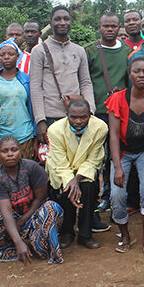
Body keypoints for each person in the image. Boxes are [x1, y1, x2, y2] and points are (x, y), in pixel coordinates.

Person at [106, 57, 144, 256]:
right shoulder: (117, 99)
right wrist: (117, 166)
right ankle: (124, 236)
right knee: (117, 194)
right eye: (137, 71)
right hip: (122, 152)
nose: (141, 75)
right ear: (129, 74)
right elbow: (114, 136)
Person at [0, 136, 64, 264]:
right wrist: (18, 241)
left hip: (34, 215)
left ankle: (45, 248)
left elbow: (41, 199)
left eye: (14, 150)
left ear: (20, 151)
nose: (10, 154)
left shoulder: (32, 168)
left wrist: (22, 222)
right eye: (5, 151)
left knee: (51, 207)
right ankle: (8, 247)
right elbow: (6, 213)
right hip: (12, 218)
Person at [45, 99, 108, 249]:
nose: (78, 121)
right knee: (66, 190)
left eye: (83, 117)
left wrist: (77, 179)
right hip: (62, 169)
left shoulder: (100, 127)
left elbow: (94, 159)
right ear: (66, 115)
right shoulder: (54, 130)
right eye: (73, 117)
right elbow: (60, 163)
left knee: (89, 187)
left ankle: (85, 235)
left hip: (85, 168)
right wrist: (71, 182)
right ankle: (67, 232)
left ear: (90, 115)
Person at [85, 12, 132, 212]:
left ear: (119, 27)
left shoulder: (128, 52)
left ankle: (116, 197)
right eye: (106, 26)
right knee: (96, 156)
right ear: (100, 27)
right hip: (96, 112)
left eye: (113, 26)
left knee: (118, 156)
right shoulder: (89, 51)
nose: (110, 29)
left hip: (120, 113)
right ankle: (99, 197)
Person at [29, 6, 95, 145]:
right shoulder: (39, 51)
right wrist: (40, 120)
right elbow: (35, 86)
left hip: (77, 118)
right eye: (57, 19)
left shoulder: (79, 50)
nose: (62, 22)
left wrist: (90, 111)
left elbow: (85, 82)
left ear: (71, 22)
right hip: (51, 117)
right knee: (53, 162)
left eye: (66, 18)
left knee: (78, 160)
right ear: (51, 22)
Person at [0, 39, 36, 161]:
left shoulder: (26, 80)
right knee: (3, 175)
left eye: (11, 54)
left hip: (25, 136)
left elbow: (33, 108)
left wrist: (35, 138)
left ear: (18, 56)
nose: (6, 57)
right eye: (2, 55)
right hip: (0, 138)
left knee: (24, 173)